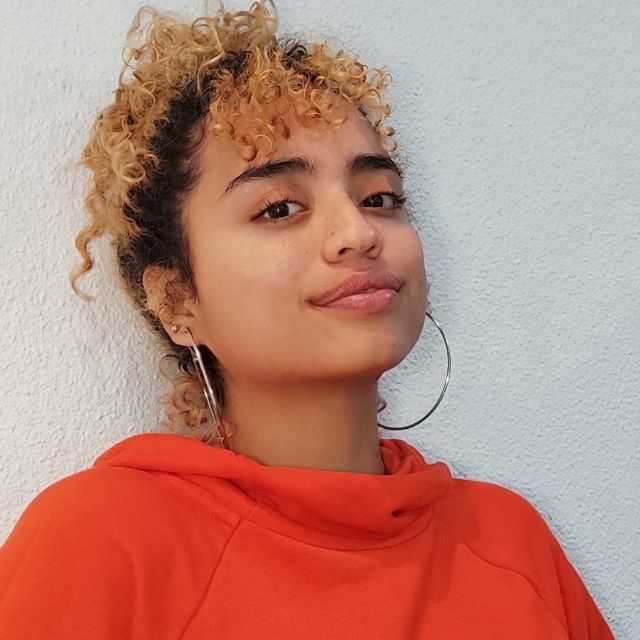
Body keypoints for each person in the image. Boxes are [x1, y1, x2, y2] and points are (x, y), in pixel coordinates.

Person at [0, 1, 615, 638]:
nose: (358, 233)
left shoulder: (513, 544)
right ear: (178, 300)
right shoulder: (102, 543)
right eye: (279, 209)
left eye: (379, 198)